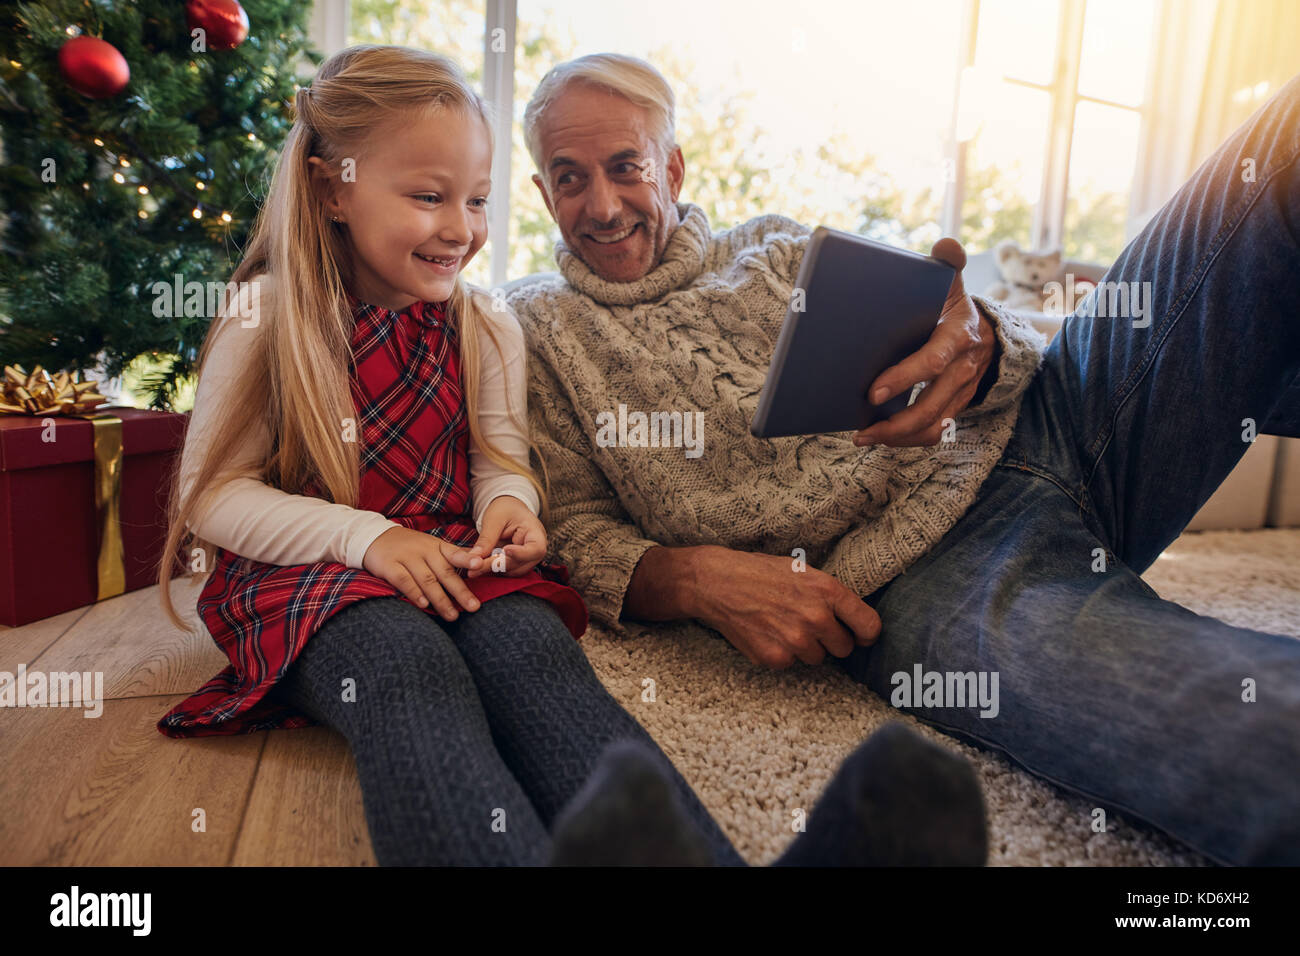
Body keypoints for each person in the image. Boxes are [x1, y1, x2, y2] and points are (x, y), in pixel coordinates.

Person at [152, 44, 989, 867]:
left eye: (477, 200)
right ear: (330, 189)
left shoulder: (485, 324)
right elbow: (214, 497)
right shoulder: (269, 315)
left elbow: (498, 463)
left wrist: (509, 508)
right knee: (406, 672)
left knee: (537, 660)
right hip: (310, 573)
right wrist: (366, 539)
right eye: (429, 197)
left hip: (454, 555)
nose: (461, 229)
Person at [508, 52, 1300, 866]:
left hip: (1063, 421)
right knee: (1246, 725)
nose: (601, 205)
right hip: (928, 576)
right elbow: (570, 526)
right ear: (541, 193)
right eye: (569, 178)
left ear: (671, 168)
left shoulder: (781, 246)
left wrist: (977, 341)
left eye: (626, 167)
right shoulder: (535, 325)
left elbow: (987, 340)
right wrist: (695, 579)